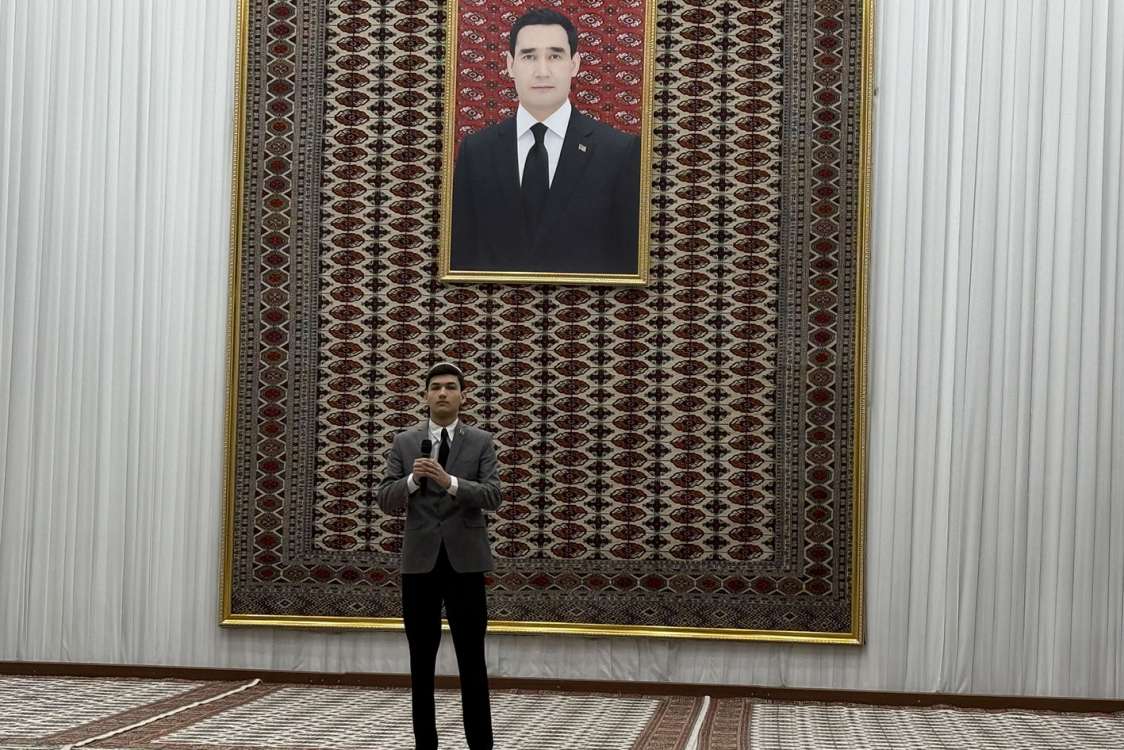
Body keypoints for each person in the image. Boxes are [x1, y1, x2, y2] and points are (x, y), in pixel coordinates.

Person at [449, 7, 642, 275]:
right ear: (510, 65)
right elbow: (460, 255)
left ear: (574, 64)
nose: (542, 71)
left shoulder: (619, 152)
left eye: (555, 56)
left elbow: (628, 261)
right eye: (529, 56)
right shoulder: (476, 151)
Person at [376, 362, 502, 750]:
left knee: (472, 659)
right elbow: (386, 499)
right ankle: (425, 745)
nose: (443, 393)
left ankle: (481, 745)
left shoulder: (481, 441)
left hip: (466, 563)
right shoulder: (404, 442)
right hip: (419, 565)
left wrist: (451, 483)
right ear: (426, 396)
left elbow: (493, 496)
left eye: (450, 387)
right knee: (421, 660)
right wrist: (413, 480)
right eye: (436, 387)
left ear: (463, 396)